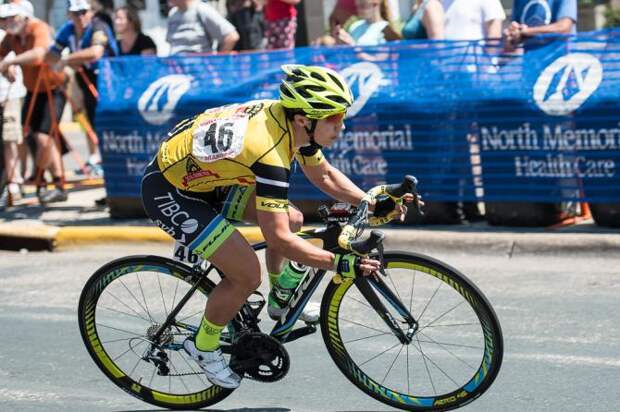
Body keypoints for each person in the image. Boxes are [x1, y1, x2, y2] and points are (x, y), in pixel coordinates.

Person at [141, 65, 412, 388]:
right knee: (245, 275)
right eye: (334, 118)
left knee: (294, 218)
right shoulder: (269, 153)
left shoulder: (296, 123)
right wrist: (339, 262)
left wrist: (369, 202)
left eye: (341, 115)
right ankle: (203, 345)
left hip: (211, 177)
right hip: (170, 192)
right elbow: (280, 241)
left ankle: (280, 296)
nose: (342, 124)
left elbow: (323, 176)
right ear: (304, 120)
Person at [0, 1, 68, 204]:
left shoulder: (39, 28)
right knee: (33, 136)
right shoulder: (12, 37)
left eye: (14, 17)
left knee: (44, 137)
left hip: (53, 89)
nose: (9, 22)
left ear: (25, 16)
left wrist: (11, 62)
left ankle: (52, 182)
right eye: (6, 18)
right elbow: (1, 54)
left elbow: (39, 54)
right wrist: (5, 67)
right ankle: (48, 181)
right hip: (33, 90)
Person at [47, 0, 119, 174]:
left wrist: (67, 59)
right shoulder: (68, 29)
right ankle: (95, 158)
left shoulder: (98, 26)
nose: (80, 17)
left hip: (108, 80)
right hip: (84, 78)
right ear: (69, 15)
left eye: (83, 12)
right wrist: (65, 62)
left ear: (90, 12)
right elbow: (50, 55)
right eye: (75, 13)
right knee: (87, 117)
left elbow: (95, 52)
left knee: (108, 120)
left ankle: (111, 160)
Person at [166, 0, 239, 55]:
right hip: (175, 68)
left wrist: (218, 60)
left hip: (198, 70)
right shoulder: (172, 13)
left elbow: (231, 36)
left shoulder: (201, 9)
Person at [504, 0, 577, 51]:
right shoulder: (519, 1)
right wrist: (512, 35)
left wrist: (527, 31)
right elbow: (513, 36)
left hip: (559, 65)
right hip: (531, 65)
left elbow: (564, 28)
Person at [331, 0, 401, 46]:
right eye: (358, 6)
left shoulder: (385, 29)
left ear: (375, 4)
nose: (359, 10)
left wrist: (353, 46)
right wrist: (340, 41)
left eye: (363, 6)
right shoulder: (355, 26)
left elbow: (379, 60)